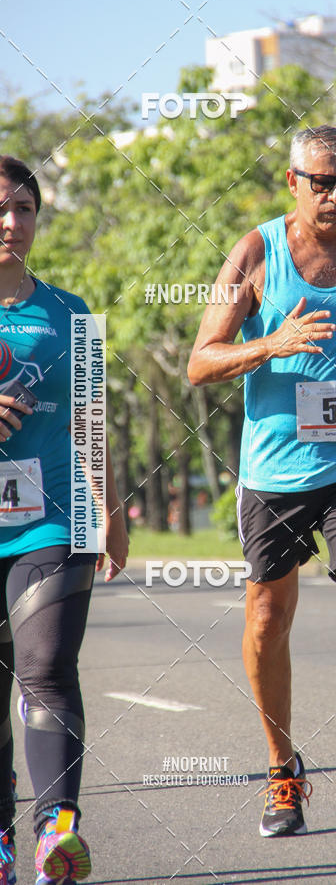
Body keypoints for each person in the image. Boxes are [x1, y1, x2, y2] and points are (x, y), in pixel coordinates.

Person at [188, 125, 336, 840]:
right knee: (267, 620)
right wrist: (271, 342)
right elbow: (200, 361)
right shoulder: (255, 253)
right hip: (274, 473)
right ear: (291, 182)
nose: (334, 195)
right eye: (320, 181)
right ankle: (282, 770)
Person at [0, 156, 129, 883]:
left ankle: (58, 831)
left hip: (54, 520)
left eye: (24, 208)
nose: (11, 222)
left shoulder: (71, 313)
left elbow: (89, 418)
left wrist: (109, 509)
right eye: (0, 209)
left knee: (45, 669)